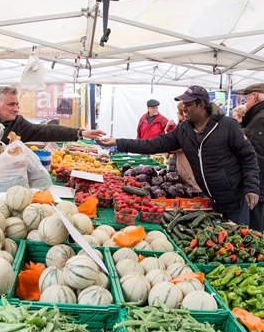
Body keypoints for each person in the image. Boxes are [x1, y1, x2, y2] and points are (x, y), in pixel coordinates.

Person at [0, 86, 106, 225]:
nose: (16, 108)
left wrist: (80, 132)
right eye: (11, 104)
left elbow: (44, 131)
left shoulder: (17, 123)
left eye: (17, 104)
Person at [98, 85, 260, 226]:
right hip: (211, 199)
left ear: (201, 105)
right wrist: (118, 142)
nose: (184, 108)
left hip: (234, 199)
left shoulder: (227, 126)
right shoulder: (184, 130)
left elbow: (248, 156)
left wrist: (251, 187)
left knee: (238, 241)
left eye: (188, 104)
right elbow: (153, 144)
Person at [239, 83, 264, 232]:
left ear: (254, 97)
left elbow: (257, 157)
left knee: (256, 231)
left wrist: (252, 187)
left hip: (260, 188)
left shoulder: (260, 120)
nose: (245, 103)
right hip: (259, 186)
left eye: (246, 99)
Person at [169, 102, 202, 193]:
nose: (176, 114)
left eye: (178, 111)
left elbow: (173, 146)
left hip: (192, 177)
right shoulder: (183, 127)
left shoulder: (189, 130)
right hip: (186, 176)